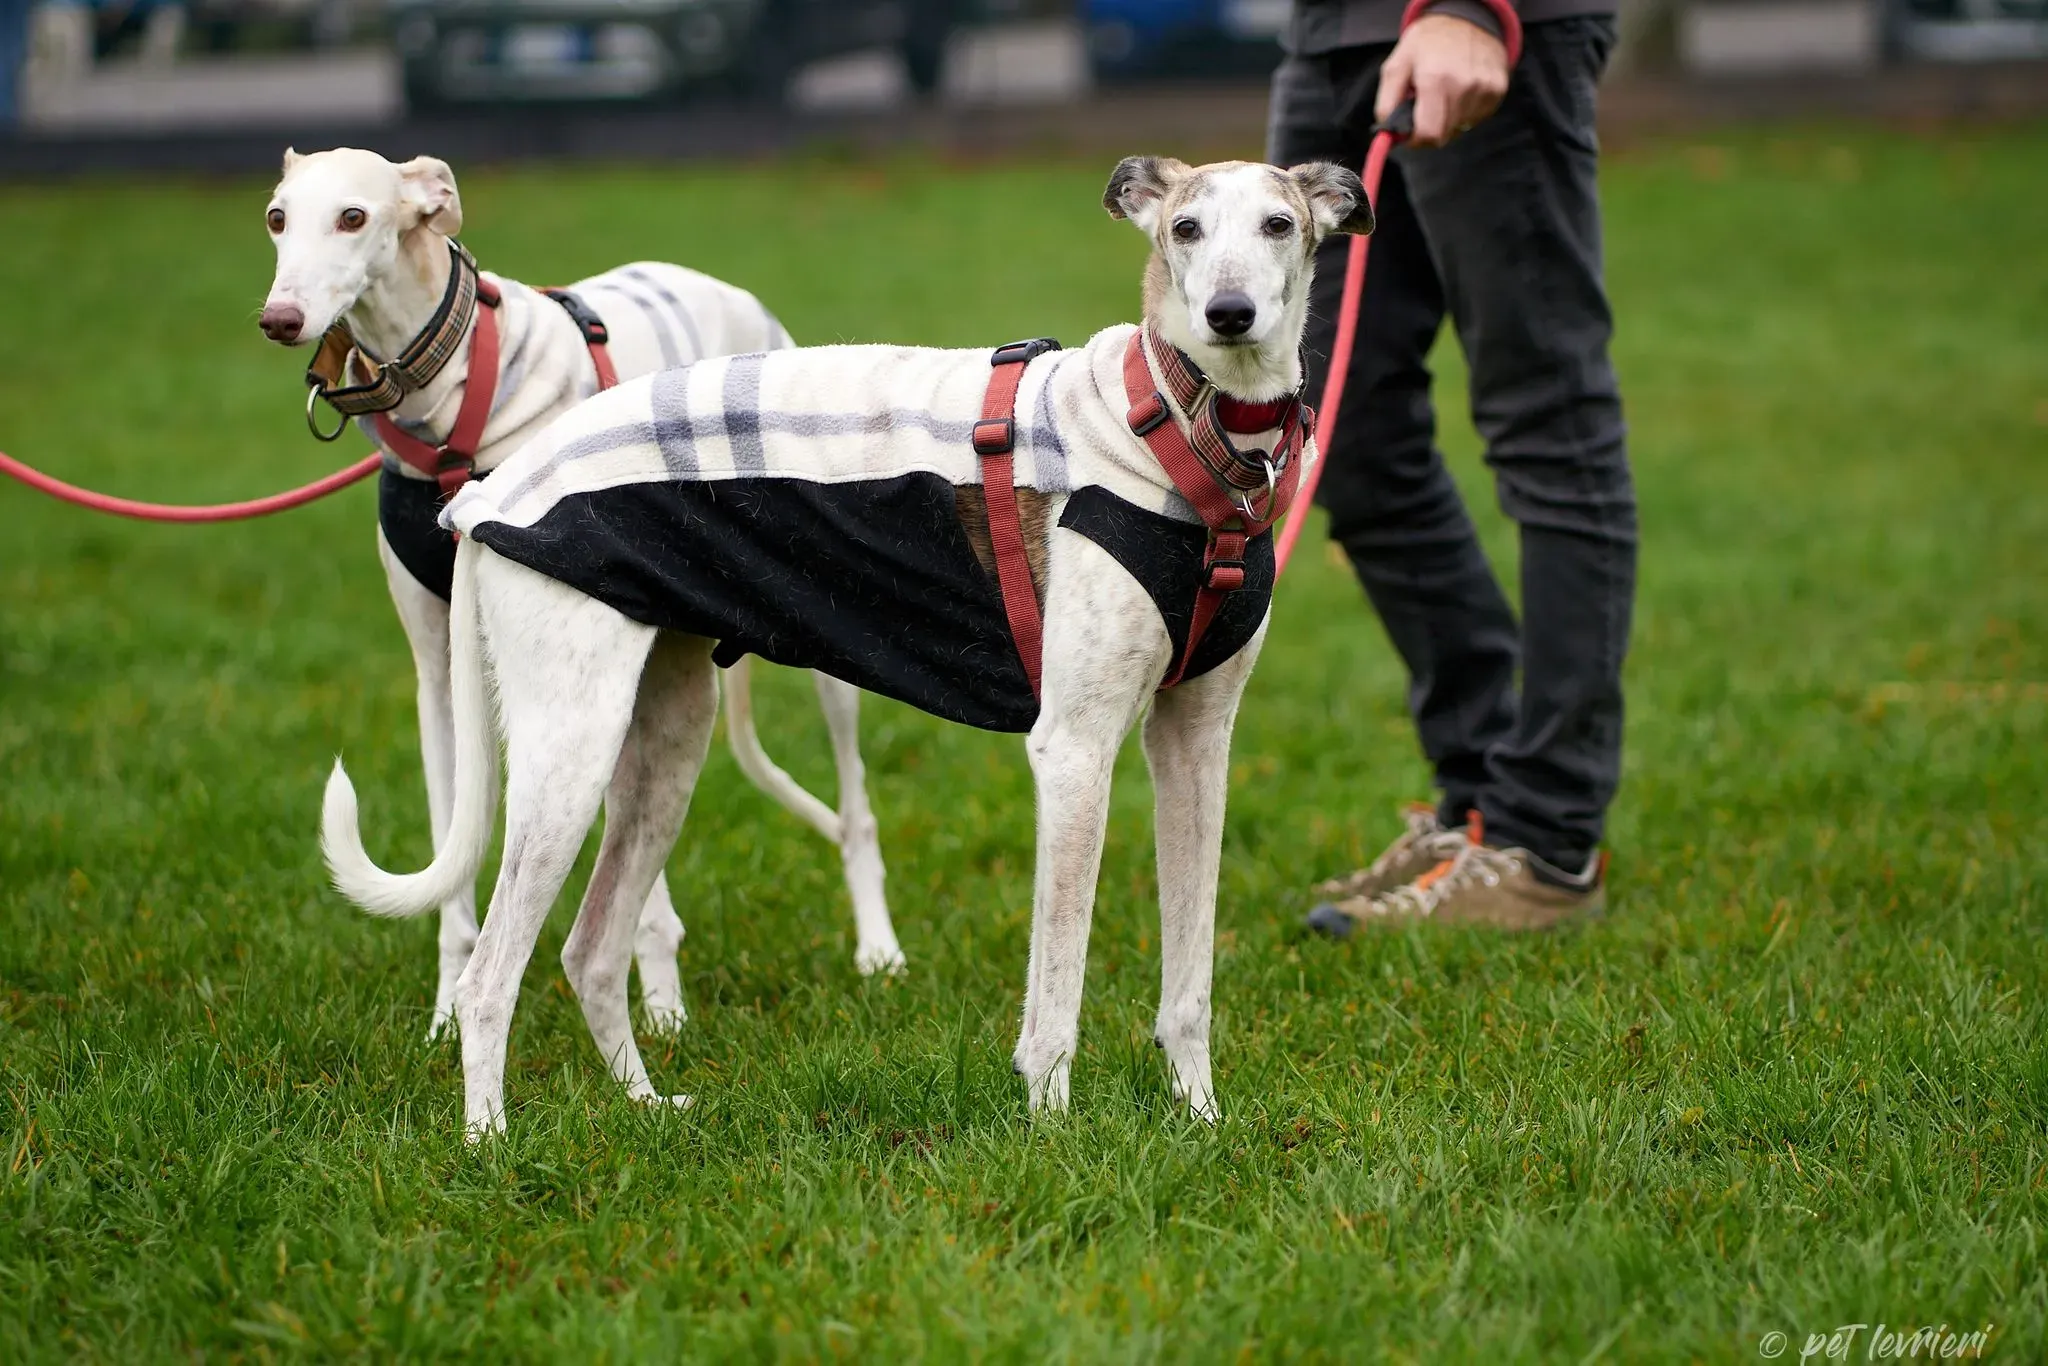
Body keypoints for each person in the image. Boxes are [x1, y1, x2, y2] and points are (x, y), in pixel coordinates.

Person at [1267, 0, 1636, 932]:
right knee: (1336, 424)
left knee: (1544, 414)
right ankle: (1479, 795)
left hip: (1477, 30)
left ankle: (1548, 842)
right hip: (1337, 35)